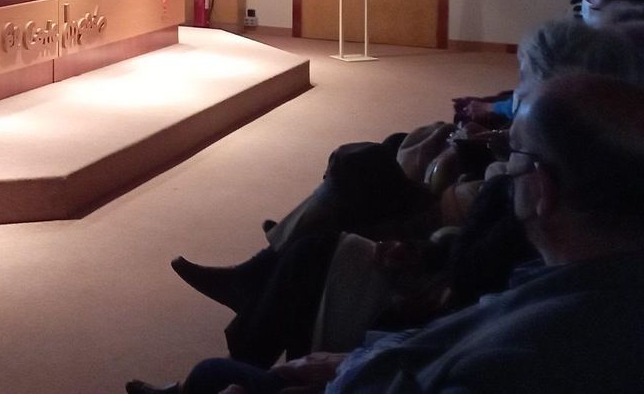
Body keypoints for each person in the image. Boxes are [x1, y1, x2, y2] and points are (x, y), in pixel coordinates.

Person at [128, 71, 644, 394]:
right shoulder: (582, 272)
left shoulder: (523, 358)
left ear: (545, 189)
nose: (503, 167)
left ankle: (252, 304)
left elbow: (464, 306)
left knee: (220, 371)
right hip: (392, 344)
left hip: (401, 341)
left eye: (515, 156)